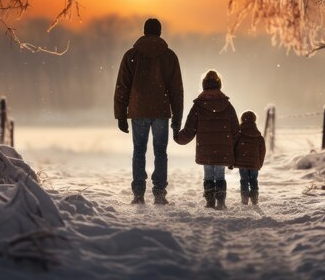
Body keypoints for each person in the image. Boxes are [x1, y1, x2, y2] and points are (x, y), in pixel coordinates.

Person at [114, 18, 183, 205]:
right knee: (161, 152)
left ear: (144, 32)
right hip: (161, 111)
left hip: (138, 111)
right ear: (160, 33)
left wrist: (120, 115)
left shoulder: (131, 55)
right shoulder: (169, 56)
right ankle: (159, 193)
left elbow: (122, 87)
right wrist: (177, 117)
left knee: (139, 151)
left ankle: (138, 194)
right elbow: (177, 90)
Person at [175, 70, 238, 210]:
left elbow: (189, 129)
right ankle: (221, 202)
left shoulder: (198, 106)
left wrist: (178, 137)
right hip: (223, 149)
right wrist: (235, 151)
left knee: (208, 175)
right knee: (220, 176)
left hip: (205, 149)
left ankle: (210, 202)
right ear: (219, 84)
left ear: (204, 85)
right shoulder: (228, 106)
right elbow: (235, 131)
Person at [233, 111, 266, 205]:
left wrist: (233, 161)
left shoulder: (238, 135)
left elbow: (233, 148)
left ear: (242, 120)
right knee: (254, 180)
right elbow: (262, 152)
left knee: (243, 180)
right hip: (254, 163)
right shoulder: (259, 137)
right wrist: (259, 163)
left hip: (242, 162)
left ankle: (244, 199)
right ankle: (254, 198)